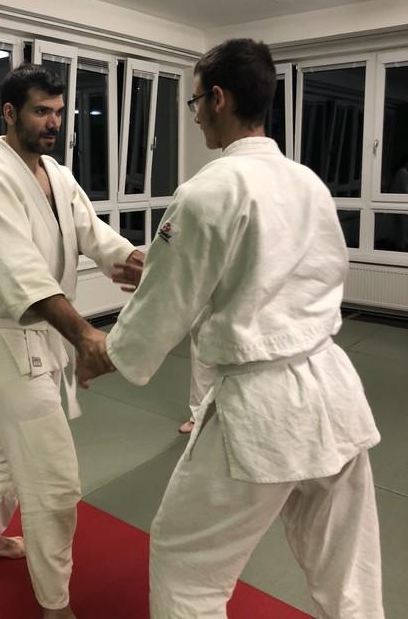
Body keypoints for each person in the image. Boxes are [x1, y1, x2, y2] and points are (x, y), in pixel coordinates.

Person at [78, 39, 384, 619]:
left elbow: (163, 309)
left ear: (218, 98)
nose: (195, 115)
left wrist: (101, 353)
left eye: (195, 101)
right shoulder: (309, 183)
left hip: (264, 408)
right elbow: (280, 278)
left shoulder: (207, 190)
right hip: (335, 393)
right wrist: (167, 272)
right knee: (348, 577)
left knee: (185, 564)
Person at [0, 63, 141, 619]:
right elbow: (21, 274)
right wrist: (84, 335)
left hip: (41, 342)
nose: (54, 122)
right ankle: (55, 605)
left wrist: (133, 260)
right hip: (8, 343)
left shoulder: (56, 173)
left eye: (59, 112)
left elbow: (92, 232)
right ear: (10, 113)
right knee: (54, 481)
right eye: (41, 111)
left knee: (10, 450)